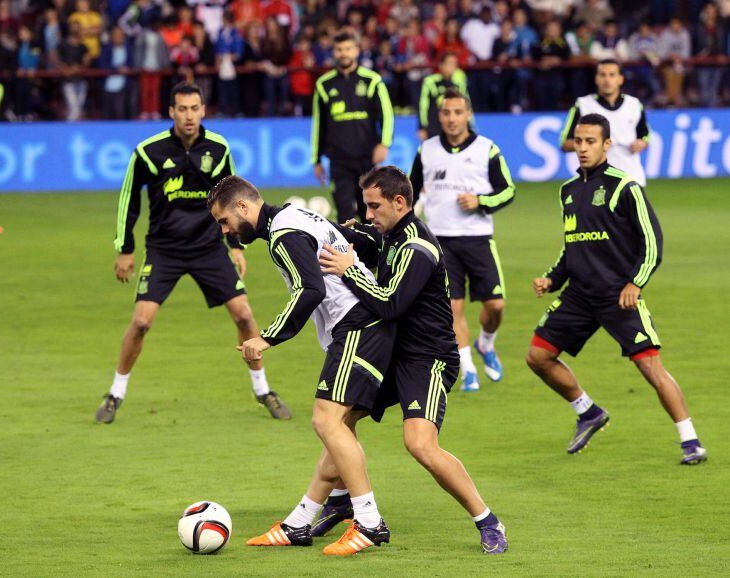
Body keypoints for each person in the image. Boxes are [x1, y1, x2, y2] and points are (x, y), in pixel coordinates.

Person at [318, 166, 508, 555]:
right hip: (393, 354)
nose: (369, 214)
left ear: (399, 202)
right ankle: (339, 502)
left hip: (428, 358)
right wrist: (332, 231)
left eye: (374, 207)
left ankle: (488, 520)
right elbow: (362, 237)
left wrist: (350, 268)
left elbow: (390, 304)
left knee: (420, 445)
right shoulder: (389, 235)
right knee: (337, 421)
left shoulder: (418, 247)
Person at [207, 176, 396, 556]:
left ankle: (370, 521)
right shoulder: (296, 215)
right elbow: (352, 246)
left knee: (326, 421)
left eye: (224, 220)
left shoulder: (282, 235)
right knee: (338, 426)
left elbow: (312, 290)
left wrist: (267, 336)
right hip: (367, 325)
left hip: (358, 326)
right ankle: (301, 521)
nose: (224, 229)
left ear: (243, 207)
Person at [95, 82, 290, 424]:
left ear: (203, 110)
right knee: (141, 322)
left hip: (208, 248)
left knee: (244, 316)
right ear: (171, 112)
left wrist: (235, 246)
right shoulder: (147, 151)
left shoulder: (217, 148)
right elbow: (129, 199)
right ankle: (115, 392)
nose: (189, 116)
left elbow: (234, 200)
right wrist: (124, 248)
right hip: (164, 250)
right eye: (182, 109)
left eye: (195, 108)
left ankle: (263, 389)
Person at [526, 113, 707, 466]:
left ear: (607, 145)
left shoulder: (625, 187)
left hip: (617, 296)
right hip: (579, 295)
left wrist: (635, 283)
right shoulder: (567, 190)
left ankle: (691, 440)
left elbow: (652, 241)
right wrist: (552, 279)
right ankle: (588, 411)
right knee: (538, 356)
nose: (582, 148)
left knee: (651, 368)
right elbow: (573, 243)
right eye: (578, 141)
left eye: (590, 141)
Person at [409, 88, 515, 392]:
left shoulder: (487, 148)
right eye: (446, 113)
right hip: (440, 241)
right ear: (439, 116)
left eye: (458, 112)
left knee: (495, 305)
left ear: (468, 114)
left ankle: (486, 343)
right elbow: (410, 191)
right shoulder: (426, 150)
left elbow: (508, 190)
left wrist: (481, 201)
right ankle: (467, 370)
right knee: (452, 309)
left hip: (478, 239)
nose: (452, 118)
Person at [311, 31, 394, 222]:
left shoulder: (372, 80)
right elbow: (319, 124)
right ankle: (349, 252)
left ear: (356, 50)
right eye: (339, 49)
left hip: (367, 158)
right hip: (339, 160)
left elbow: (387, 115)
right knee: (344, 214)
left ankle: (371, 252)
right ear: (334, 52)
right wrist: (316, 159)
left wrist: (384, 143)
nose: (343, 53)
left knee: (370, 214)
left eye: (348, 49)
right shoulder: (323, 84)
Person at [560, 59, 650, 186]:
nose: (607, 80)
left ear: (621, 79)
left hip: (631, 177)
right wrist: (590, 144)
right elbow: (565, 143)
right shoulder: (583, 105)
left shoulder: (634, 105)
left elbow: (645, 136)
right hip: (595, 180)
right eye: (602, 75)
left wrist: (642, 143)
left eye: (612, 75)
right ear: (596, 79)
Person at [417, 52, 470, 141]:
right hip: (433, 128)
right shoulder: (430, 81)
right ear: (441, 65)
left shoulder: (459, 84)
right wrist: (422, 127)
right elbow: (423, 106)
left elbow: (467, 106)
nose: (452, 67)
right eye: (449, 63)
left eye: (454, 63)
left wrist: (469, 126)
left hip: (453, 128)